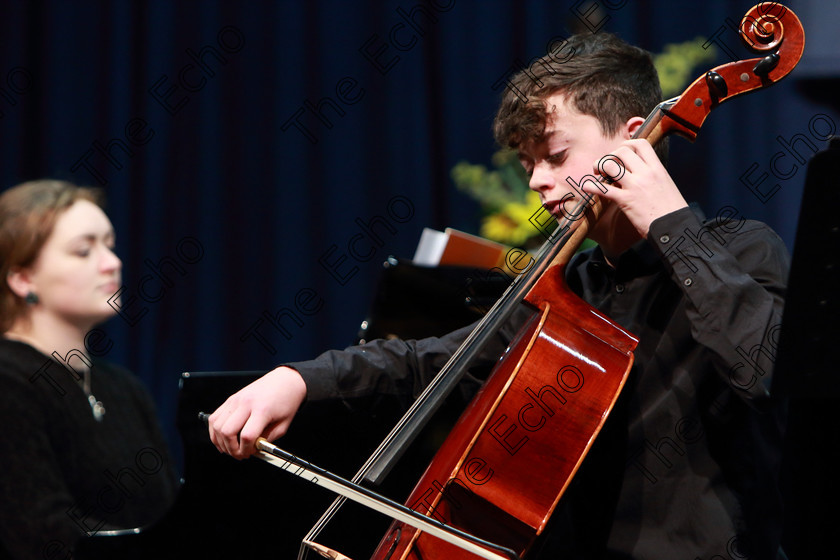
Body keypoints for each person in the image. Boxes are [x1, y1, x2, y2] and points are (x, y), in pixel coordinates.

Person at [208, 33, 789, 559]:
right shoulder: (570, 290)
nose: (537, 179)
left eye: (555, 155)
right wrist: (300, 378)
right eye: (527, 161)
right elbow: (432, 361)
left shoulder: (741, 251)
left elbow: (765, 372)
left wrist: (672, 224)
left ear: (634, 139)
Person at [0, 180, 178, 559]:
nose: (112, 262)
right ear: (22, 279)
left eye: (109, 244)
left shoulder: (124, 387)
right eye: (84, 251)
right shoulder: (8, 380)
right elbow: (40, 536)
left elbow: (168, 517)